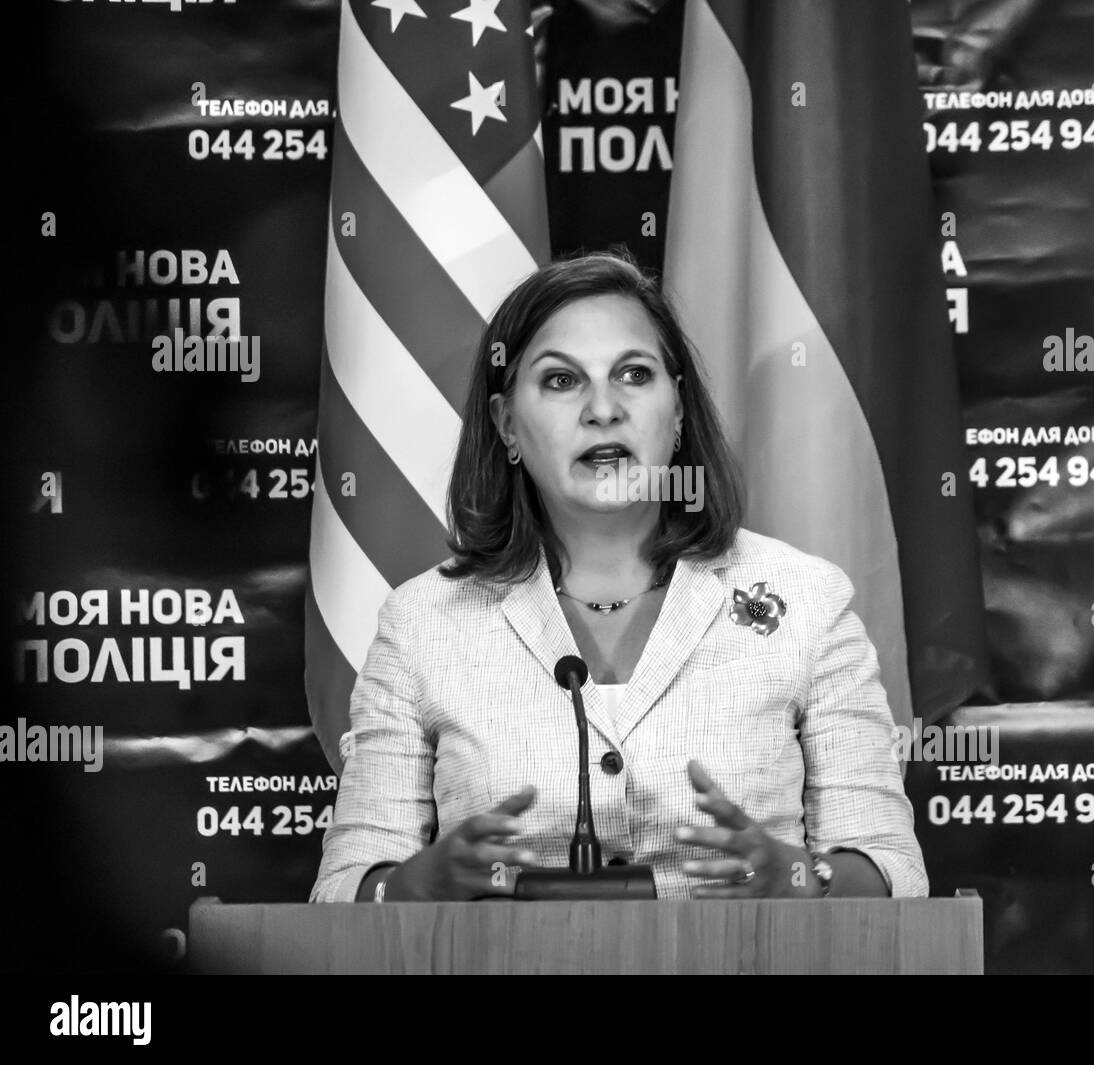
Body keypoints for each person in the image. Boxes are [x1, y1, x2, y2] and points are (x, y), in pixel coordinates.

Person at [310, 251, 928, 903]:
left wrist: (803, 877)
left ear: (680, 410)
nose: (603, 408)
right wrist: (410, 886)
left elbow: (895, 871)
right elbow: (345, 884)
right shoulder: (422, 623)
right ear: (506, 423)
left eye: (634, 374)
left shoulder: (806, 601)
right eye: (560, 381)